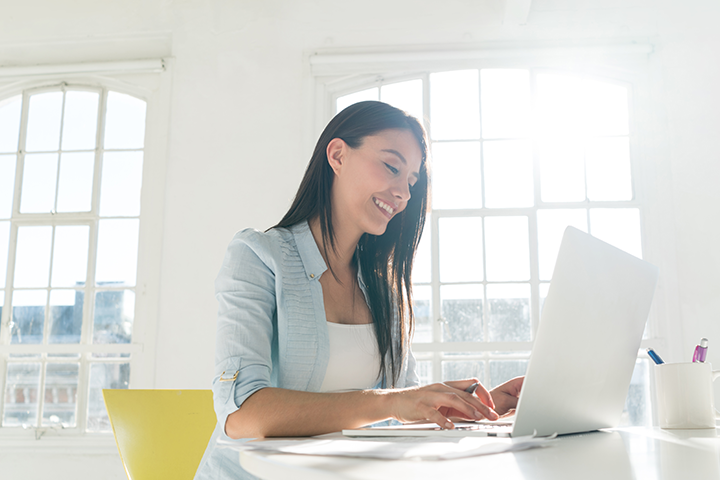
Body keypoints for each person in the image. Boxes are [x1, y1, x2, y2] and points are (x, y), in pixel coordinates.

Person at [194, 101, 524, 479]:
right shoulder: (258, 256)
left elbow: (401, 413)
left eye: (412, 182)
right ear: (337, 155)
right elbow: (243, 415)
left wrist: (480, 408)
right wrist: (391, 402)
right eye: (391, 166)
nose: (402, 192)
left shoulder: (383, 289)